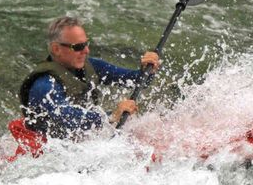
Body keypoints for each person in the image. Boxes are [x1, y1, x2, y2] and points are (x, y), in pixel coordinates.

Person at [19, 16, 160, 139]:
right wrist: (110, 116)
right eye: (78, 46)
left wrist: (147, 69)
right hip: (49, 154)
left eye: (86, 44)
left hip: (78, 143)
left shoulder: (92, 66)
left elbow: (138, 81)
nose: (86, 51)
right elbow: (64, 117)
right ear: (56, 49)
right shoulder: (44, 85)